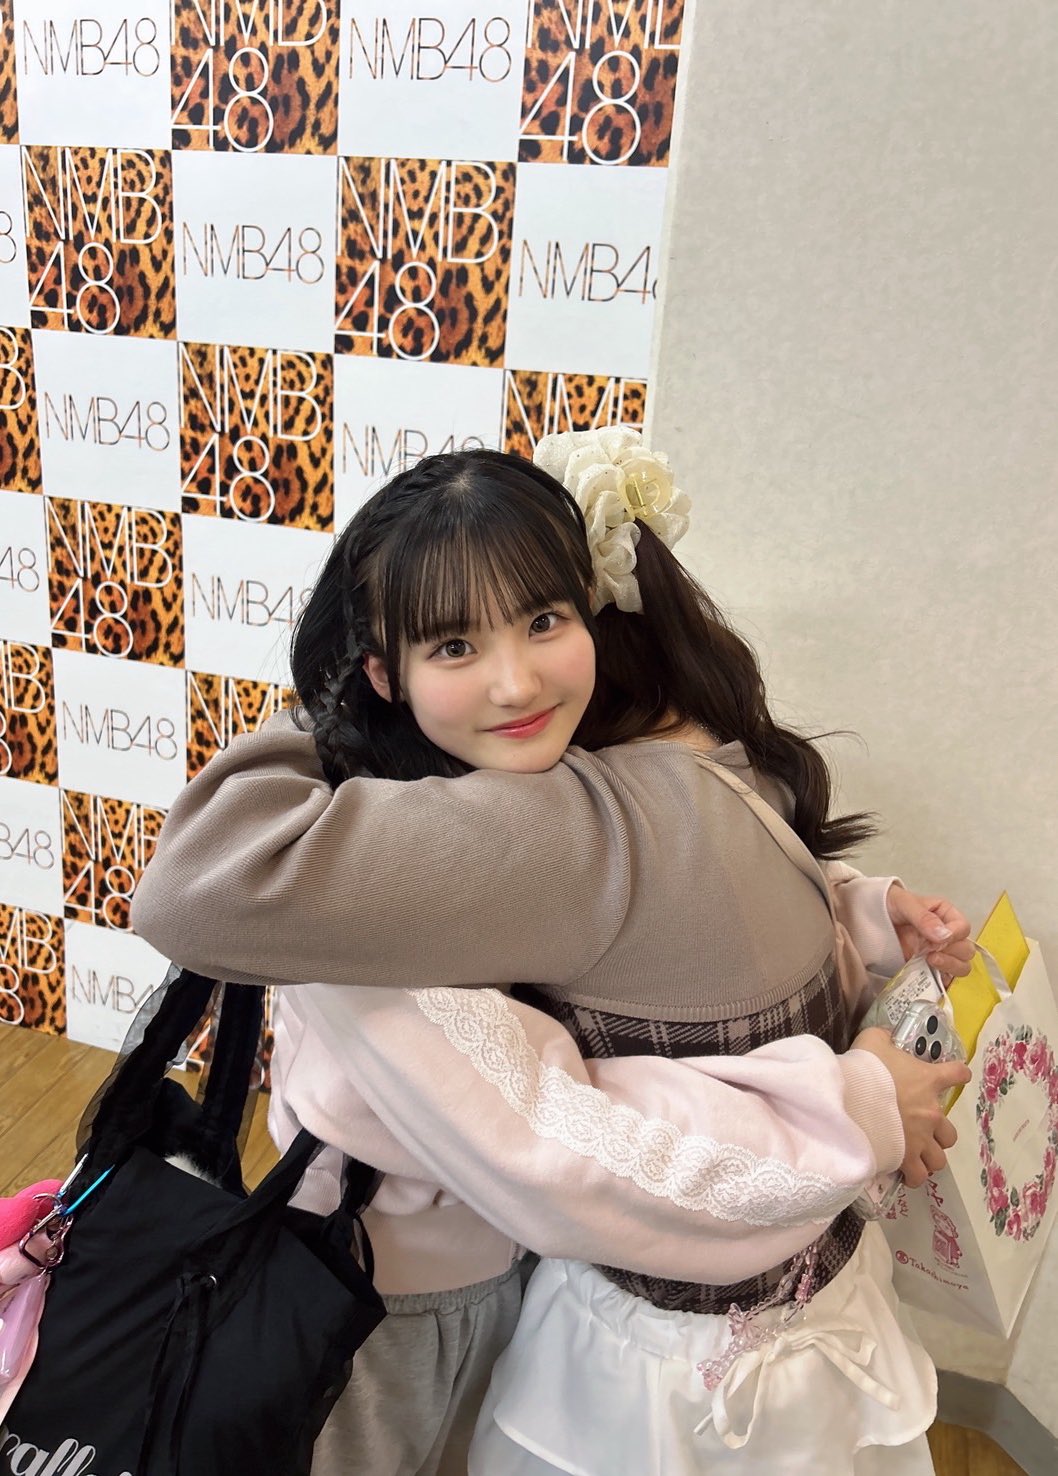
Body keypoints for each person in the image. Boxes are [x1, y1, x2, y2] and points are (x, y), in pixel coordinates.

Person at [132, 431, 972, 1474]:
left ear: (593, 611)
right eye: (453, 646)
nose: (515, 682)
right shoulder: (508, 834)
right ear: (383, 673)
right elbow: (568, 1137)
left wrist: (857, 913)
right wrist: (860, 1105)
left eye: (541, 620)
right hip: (386, 1284)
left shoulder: (592, 780)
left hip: (515, 1267)